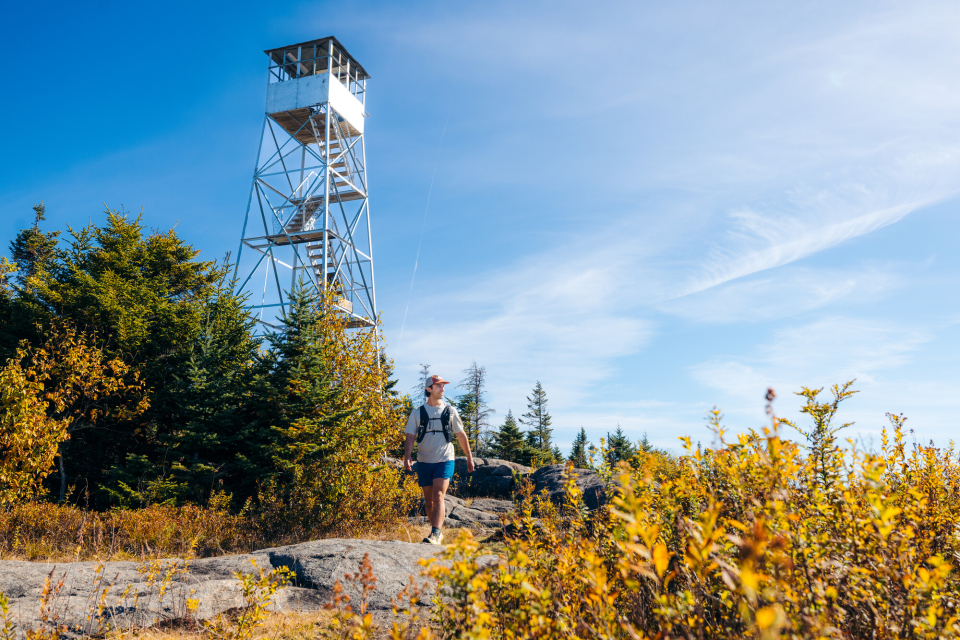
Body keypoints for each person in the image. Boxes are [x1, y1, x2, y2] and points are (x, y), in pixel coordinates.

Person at [404, 374, 475, 544]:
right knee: (428, 503)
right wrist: (407, 456)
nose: (442, 389)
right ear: (429, 389)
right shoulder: (417, 412)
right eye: (438, 386)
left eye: (443, 386)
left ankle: (435, 533)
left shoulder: (450, 411)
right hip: (424, 461)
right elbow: (410, 436)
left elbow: (460, 435)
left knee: (438, 496)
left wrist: (469, 457)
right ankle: (437, 531)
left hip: (445, 459)